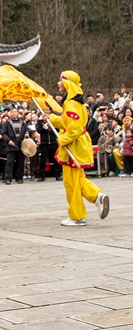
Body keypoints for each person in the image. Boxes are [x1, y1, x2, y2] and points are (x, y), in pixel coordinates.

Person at [43, 70, 109, 227]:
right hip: (76, 144)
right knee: (78, 179)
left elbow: (74, 129)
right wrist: (51, 118)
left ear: (66, 83)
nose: (58, 83)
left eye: (60, 81)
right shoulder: (76, 102)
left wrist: (63, 139)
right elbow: (68, 123)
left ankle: (77, 216)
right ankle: (97, 196)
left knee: (71, 182)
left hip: (73, 145)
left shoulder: (71, 103)